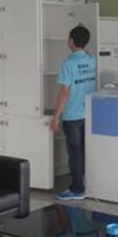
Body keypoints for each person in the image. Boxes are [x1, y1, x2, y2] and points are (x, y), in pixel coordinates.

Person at [50, 25, 96, 201]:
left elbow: (64, 92)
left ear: (71, 40)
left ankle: (77, 189)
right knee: (84, 151)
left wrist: (56, 117)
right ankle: (83, 183)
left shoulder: (68, 63)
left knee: (75, 153)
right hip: (88, 113)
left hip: (72, 115)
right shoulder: (91, 59)